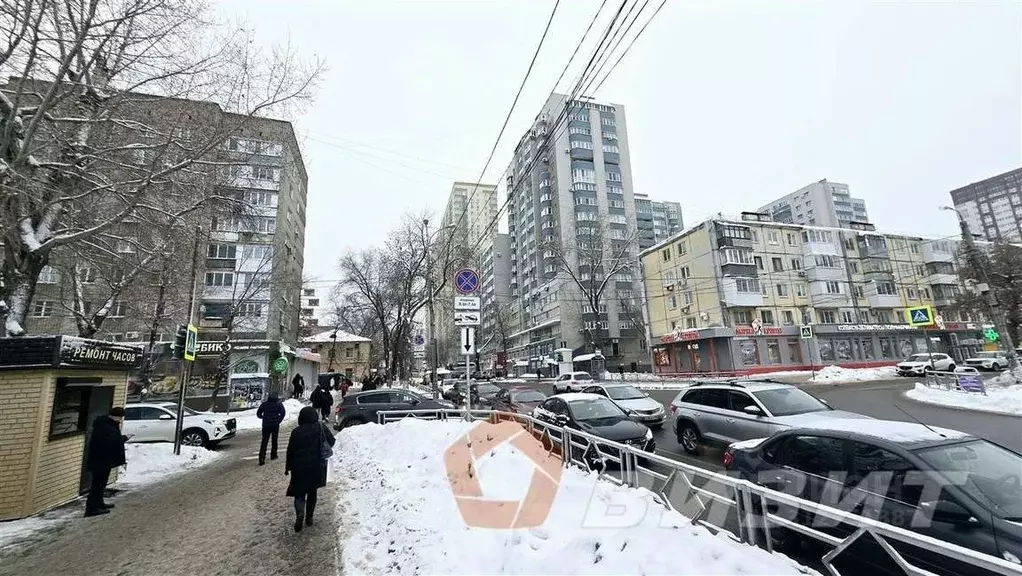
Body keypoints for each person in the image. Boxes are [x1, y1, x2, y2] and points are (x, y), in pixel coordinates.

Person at [285, 407, 335, 532]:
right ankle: (309, 517)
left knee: (299, 493)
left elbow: (290, 450)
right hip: (316, 465)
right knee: (312, 492)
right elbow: (332, 441)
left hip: (299, 467)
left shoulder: (296, 432)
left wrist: (288, 467)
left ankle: (299, 513)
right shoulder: (320, 427)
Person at [84, 406, 128, 517]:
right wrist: (123, 439)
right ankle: (91, 508)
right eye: (120, 417)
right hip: (100, 460)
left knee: (101, 484)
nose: (121, 420)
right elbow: (109, 442)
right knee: (97, 485)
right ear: (116, 416)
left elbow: (112, 440)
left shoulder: (107, 425)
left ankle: (99, 503)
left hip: (104, 460)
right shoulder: (105, 427)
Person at [256, 392, 287, 465]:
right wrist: (278, 420)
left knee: (264, 441)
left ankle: (262, 457)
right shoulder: (278, 404)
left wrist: (263, 417)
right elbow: (283, 413)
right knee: (274, 440)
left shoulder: (265, 404)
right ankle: (273, 455)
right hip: (275, 425)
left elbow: (258, 413)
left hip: (266, 425)